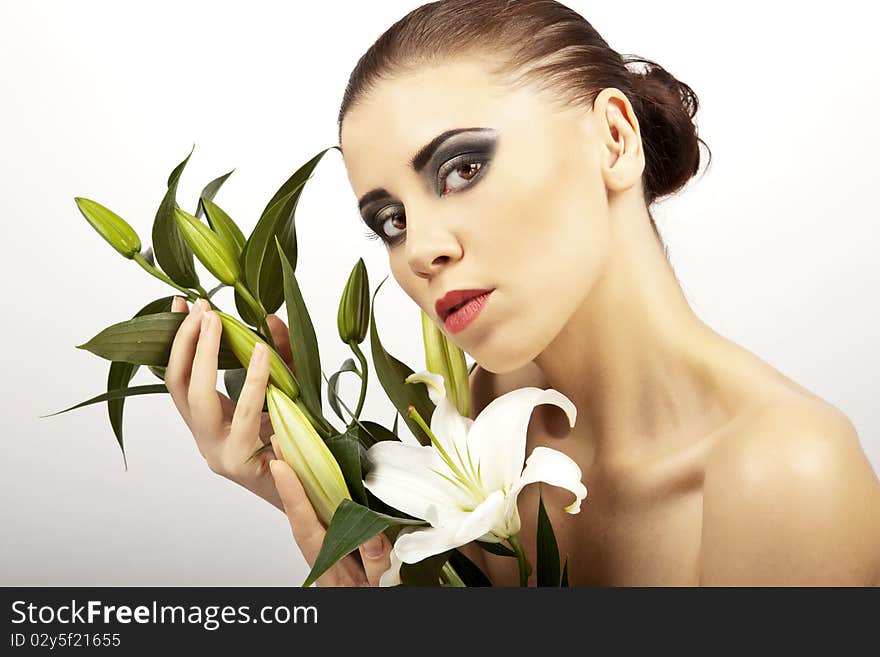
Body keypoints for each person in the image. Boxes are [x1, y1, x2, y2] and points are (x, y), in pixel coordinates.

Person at [164, 0, 880, 586]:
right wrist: (303, 485)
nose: (419, 249)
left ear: (613, 139)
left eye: (462, 168)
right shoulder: (489, 416)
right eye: (390, 220)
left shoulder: (787, 475)